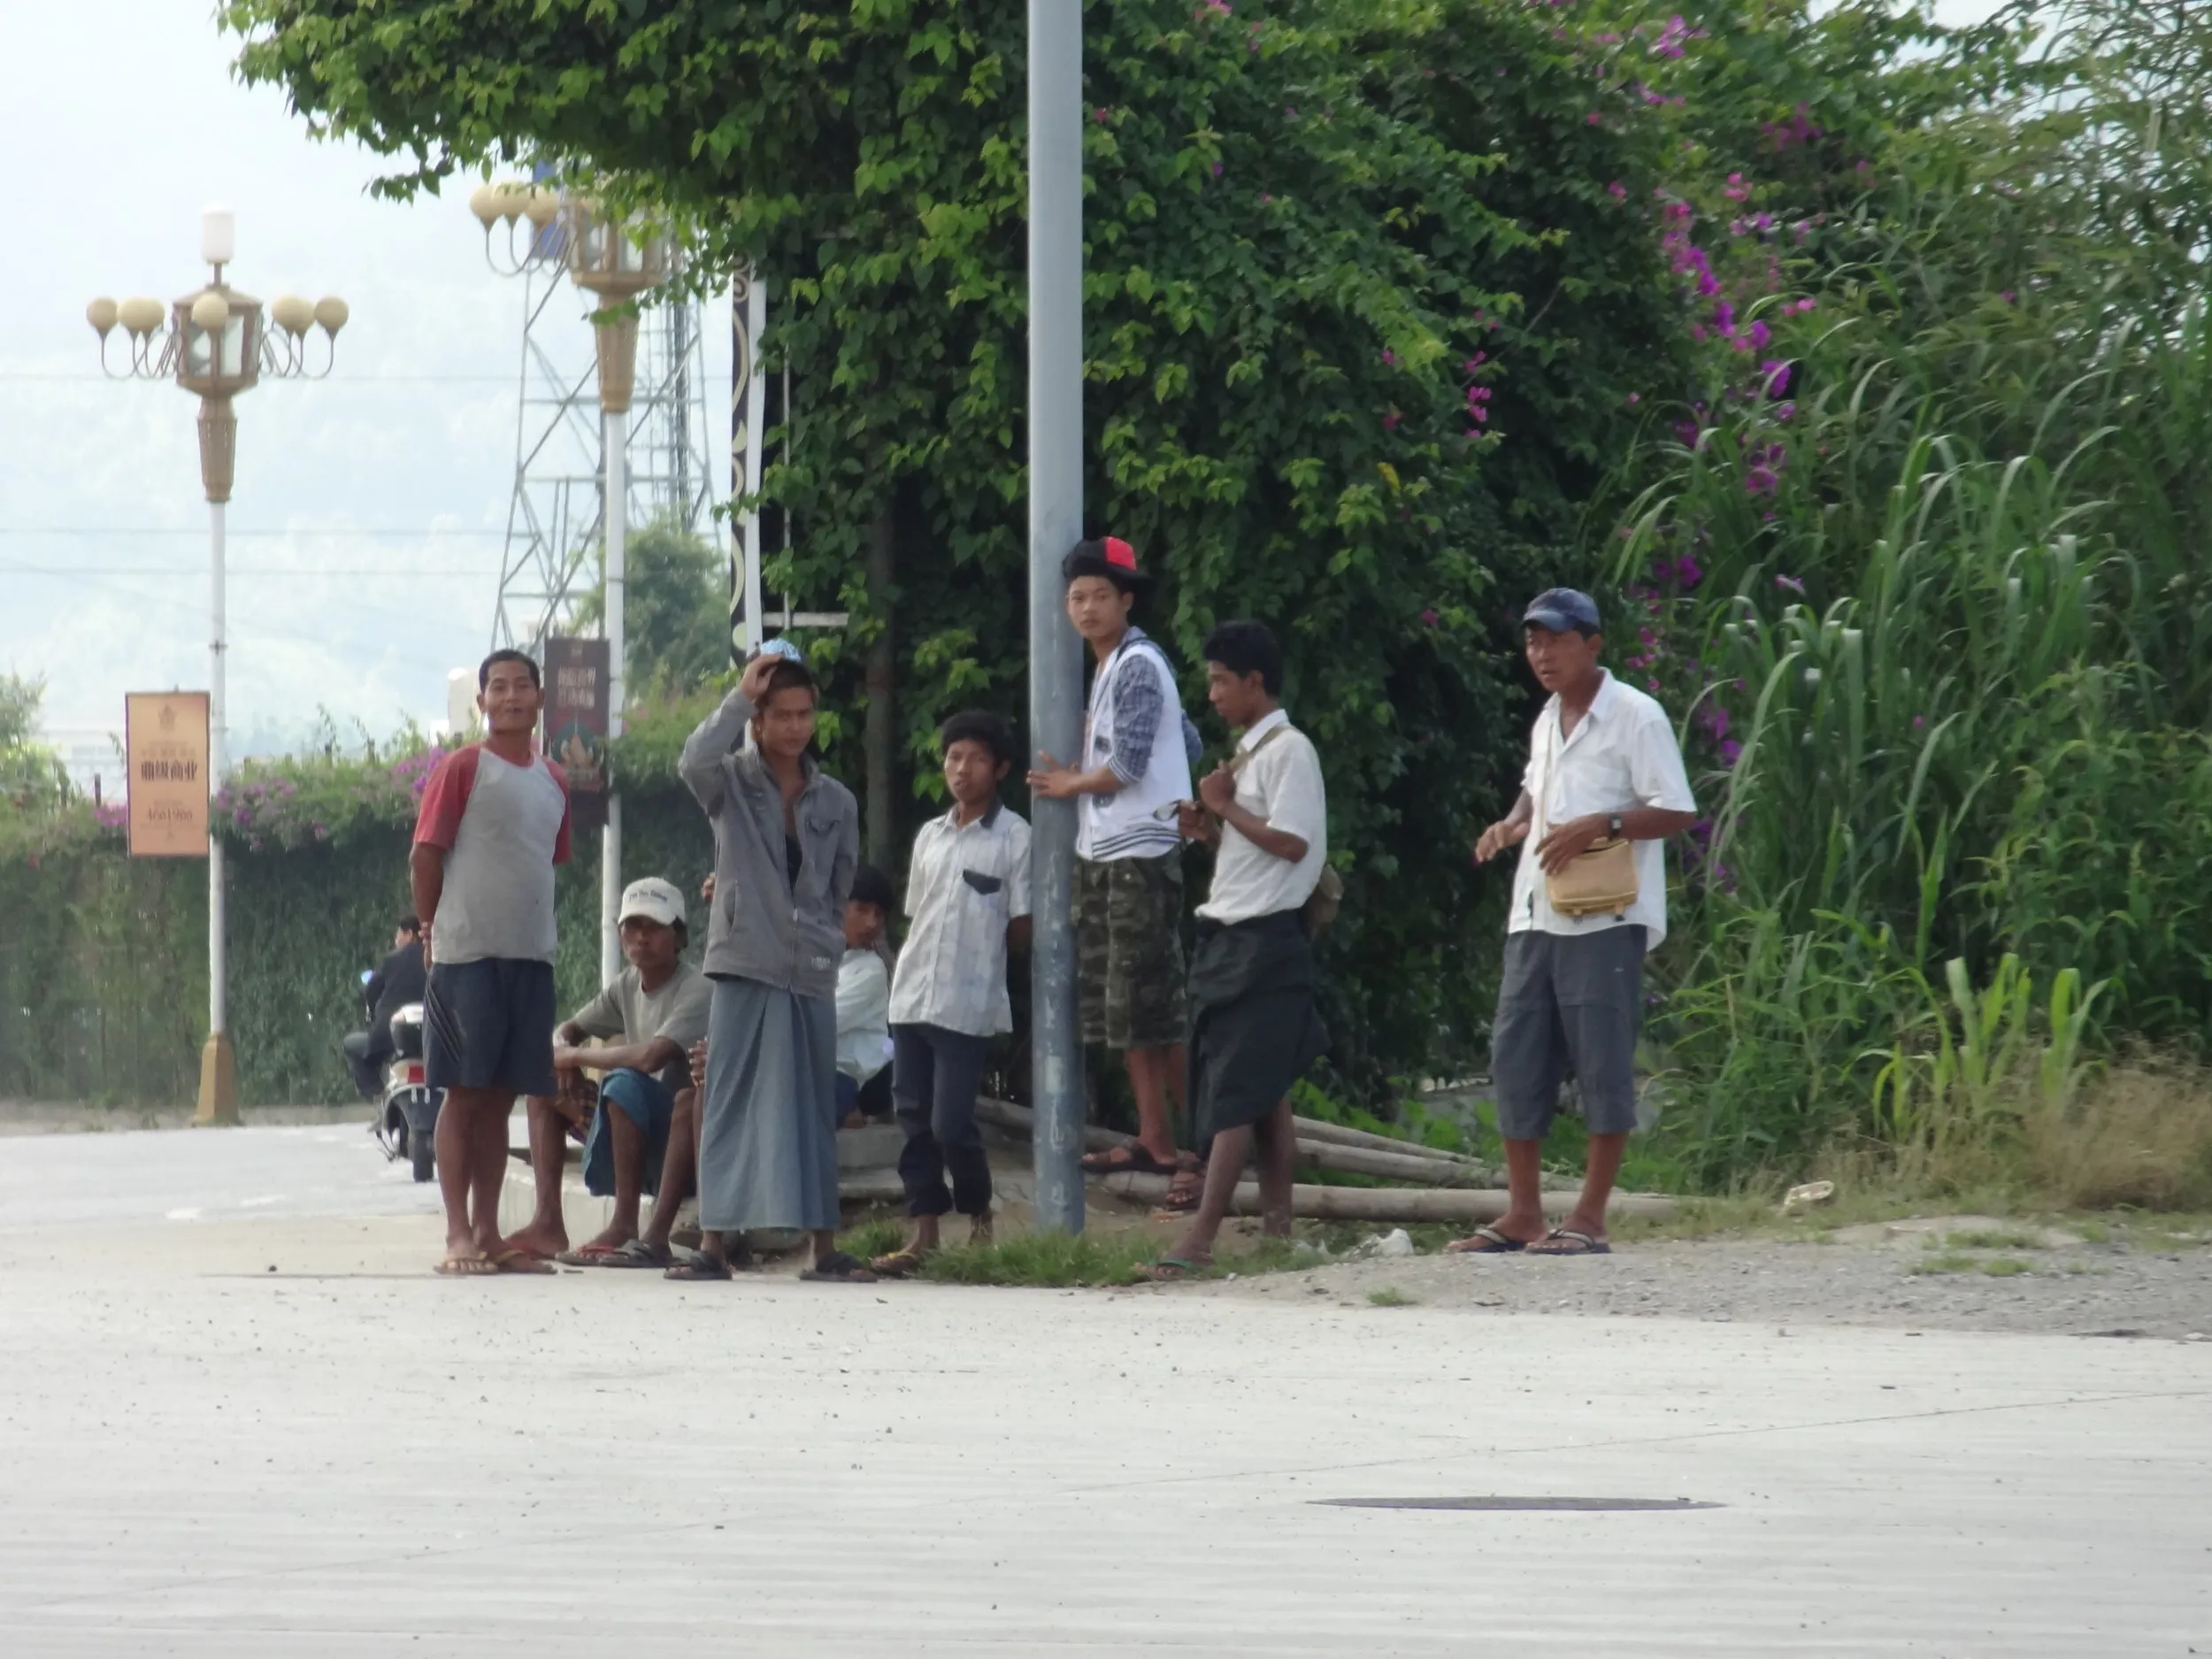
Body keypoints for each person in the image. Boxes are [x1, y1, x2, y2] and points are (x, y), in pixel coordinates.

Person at [1448, 588, 1698, 1257]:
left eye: (1557, 641)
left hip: (1605, 916)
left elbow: (1677, 809)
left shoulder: (1635, 715)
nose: (1542, 654)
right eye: (1534, 642)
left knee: (1600, 1061)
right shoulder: (1547, 717)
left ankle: (1590, 1216)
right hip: (1535, 910)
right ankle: (1524, 1212)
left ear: (1593, 644)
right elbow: (1535, 789)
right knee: (1515, 1055)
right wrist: (1511, 823)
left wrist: (1604, 823)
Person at [677, 649, 873, 1283]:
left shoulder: (837, 800)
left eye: (804, 714)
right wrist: (739, 696)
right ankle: (713, 1244)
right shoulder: (731, 782)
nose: (795, 726)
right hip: (743, 960)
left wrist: (825, 939)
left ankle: (823, 1248)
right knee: (727, 1099)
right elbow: (691, 761)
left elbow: (841, 882)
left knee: (813, 1102)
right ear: (758, 722)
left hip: (809, 966)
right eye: (781, 715)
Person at [1150, 622, 1329, 1279]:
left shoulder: (1290, 751)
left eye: (1222, 680)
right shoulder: (1250, 756)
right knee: (1264, 1090)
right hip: (1230, 937)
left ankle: (1200, 1239)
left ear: (1256, 682)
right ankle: (1279, 1234)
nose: (1214, 694)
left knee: (1233, 1088)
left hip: (1265, 942)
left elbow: (1293, 843)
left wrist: (1223, 807)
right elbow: (1258, 851)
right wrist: (1209, 830)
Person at [1025, 536, 1196, 1182]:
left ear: (1127, 599)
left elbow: (1126, 765)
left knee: (1152, 1008)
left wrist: (1072, 781)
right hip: (1110, 852)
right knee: (1126, 1009)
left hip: (1137, 854)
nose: (1087, 608)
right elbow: (1187, 740)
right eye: (1077, 597)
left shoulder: (1137, 664)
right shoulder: (1110, 667)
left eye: (1101, 595)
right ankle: (1157, 1138)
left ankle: (1205, 1140)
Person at [410, 649, 572, 1277]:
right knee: (466, 1093)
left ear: (539, 699)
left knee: (502, 1096)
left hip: (530, 956)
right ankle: (457, 1233)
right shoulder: (463, 768)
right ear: (481, 703)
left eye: (521, 686)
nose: (510, 697)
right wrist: (431, 928)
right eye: (497, 687)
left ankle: (489, 1231)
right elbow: (425, 854)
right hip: (467, 956)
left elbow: (544, 861)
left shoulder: (554, 780)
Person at [872, 710, 1033, 1277]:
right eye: (954, 757)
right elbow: (918, 914)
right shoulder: (930, 836)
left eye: (977, 759)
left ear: (1001, 769)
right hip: (912, 994)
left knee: (951, 1122)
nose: (962, 769)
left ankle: (981, 1217)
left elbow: (1022, 926)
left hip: (968, 1002)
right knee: (913, 1117)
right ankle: (925, 1234)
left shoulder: (1015, 836)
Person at [503, 877, 711, 1269]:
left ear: (680, 937)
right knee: (545, 1084)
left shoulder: (697, 988)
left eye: (654, 927)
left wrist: (573, 1056)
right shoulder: (626, 985)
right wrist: (563, 1051)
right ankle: (547, 1222)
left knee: (624, 1082)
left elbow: (651, 1057)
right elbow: (569, 1028)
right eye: (633, 927)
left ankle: (624, 1224)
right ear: (619, 935)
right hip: (629, 1127)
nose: (641, 937)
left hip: (678, 1143)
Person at [835, 866, 897, 1127]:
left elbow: (821, 1021)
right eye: (861, 909)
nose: (871, 923)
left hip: (844, 1076)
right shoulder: (818, 955)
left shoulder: (871, 969)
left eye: (878, 915)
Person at [344, 914, 426, 1100]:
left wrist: (372, 1013)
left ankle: (377, 1094)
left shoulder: (392, 959)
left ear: (410, 934)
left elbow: (372, 990)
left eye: (398, 935)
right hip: (436, 1038)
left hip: (390, 1038)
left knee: (351, 1045)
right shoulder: (439, 958)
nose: (396, 941)